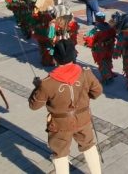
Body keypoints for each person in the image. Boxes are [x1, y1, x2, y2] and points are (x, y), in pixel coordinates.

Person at [28, 38, 103, 174]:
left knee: (60, 154)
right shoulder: (86, 73)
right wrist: (84, 101)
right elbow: (97, 92)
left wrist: (37, 88)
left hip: (59, 124)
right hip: (83, 118)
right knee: (89, 146)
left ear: (55, 59)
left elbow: (34, 106)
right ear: (73, 56)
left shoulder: (47, 83)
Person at [83, 12, 117, 84]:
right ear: (104, 18)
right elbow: (114, 35)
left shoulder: (96, 29)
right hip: (109, 48)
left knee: (102, 63)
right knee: (108, 61)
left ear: (96, 19)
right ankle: (110, 72)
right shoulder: (109, 26)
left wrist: (86, 39)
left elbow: (90, 38)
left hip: (100, 49)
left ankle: (107, 78)